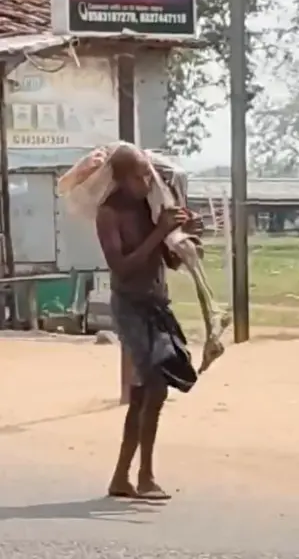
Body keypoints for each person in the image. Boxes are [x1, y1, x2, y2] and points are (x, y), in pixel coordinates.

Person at [95, 144, 202, 500]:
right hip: (130, 306)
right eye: (139, 176)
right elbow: (121, 267)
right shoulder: (108, 214)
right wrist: (159, 232)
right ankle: (143, 476)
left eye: (148, 175)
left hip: (157, 303)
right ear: (120, 178)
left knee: (149, 391)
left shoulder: (149, 207)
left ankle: (126, 477)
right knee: (153, 387)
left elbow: (169, 261)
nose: (147, 182)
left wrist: (186, 236)